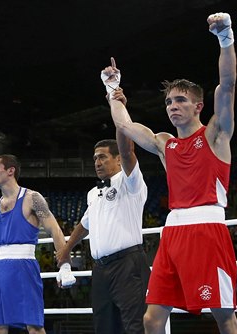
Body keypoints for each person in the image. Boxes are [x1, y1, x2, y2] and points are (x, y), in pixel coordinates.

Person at [100, 12, 237, 334]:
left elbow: (228, 86)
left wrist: (225, 37)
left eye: (180, 100)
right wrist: (112, 88)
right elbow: (124, 124)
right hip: (172, 232)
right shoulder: (165, 144)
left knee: (222, 314)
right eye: (168, 102)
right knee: (151, 318)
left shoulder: (216, 135)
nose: (172, 106)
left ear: (198, 106)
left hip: (207, 228)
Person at [56, 134, 151, 333]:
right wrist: (66, 250)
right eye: (95, 159)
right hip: (100, 269)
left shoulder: (130, 183)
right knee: (104, 326)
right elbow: (85, 223)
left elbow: (128, 152)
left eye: (102, 157)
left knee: (135, 326)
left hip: (128, 264)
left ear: (118, 159)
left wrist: (121, 122)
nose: (97, 163)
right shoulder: (93, 193)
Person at [0, 154, 76, 334]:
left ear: (10, 171)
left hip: (24, 266)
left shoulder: (32, 198)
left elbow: (55, 230)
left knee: (34, 326)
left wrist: (65, 265)